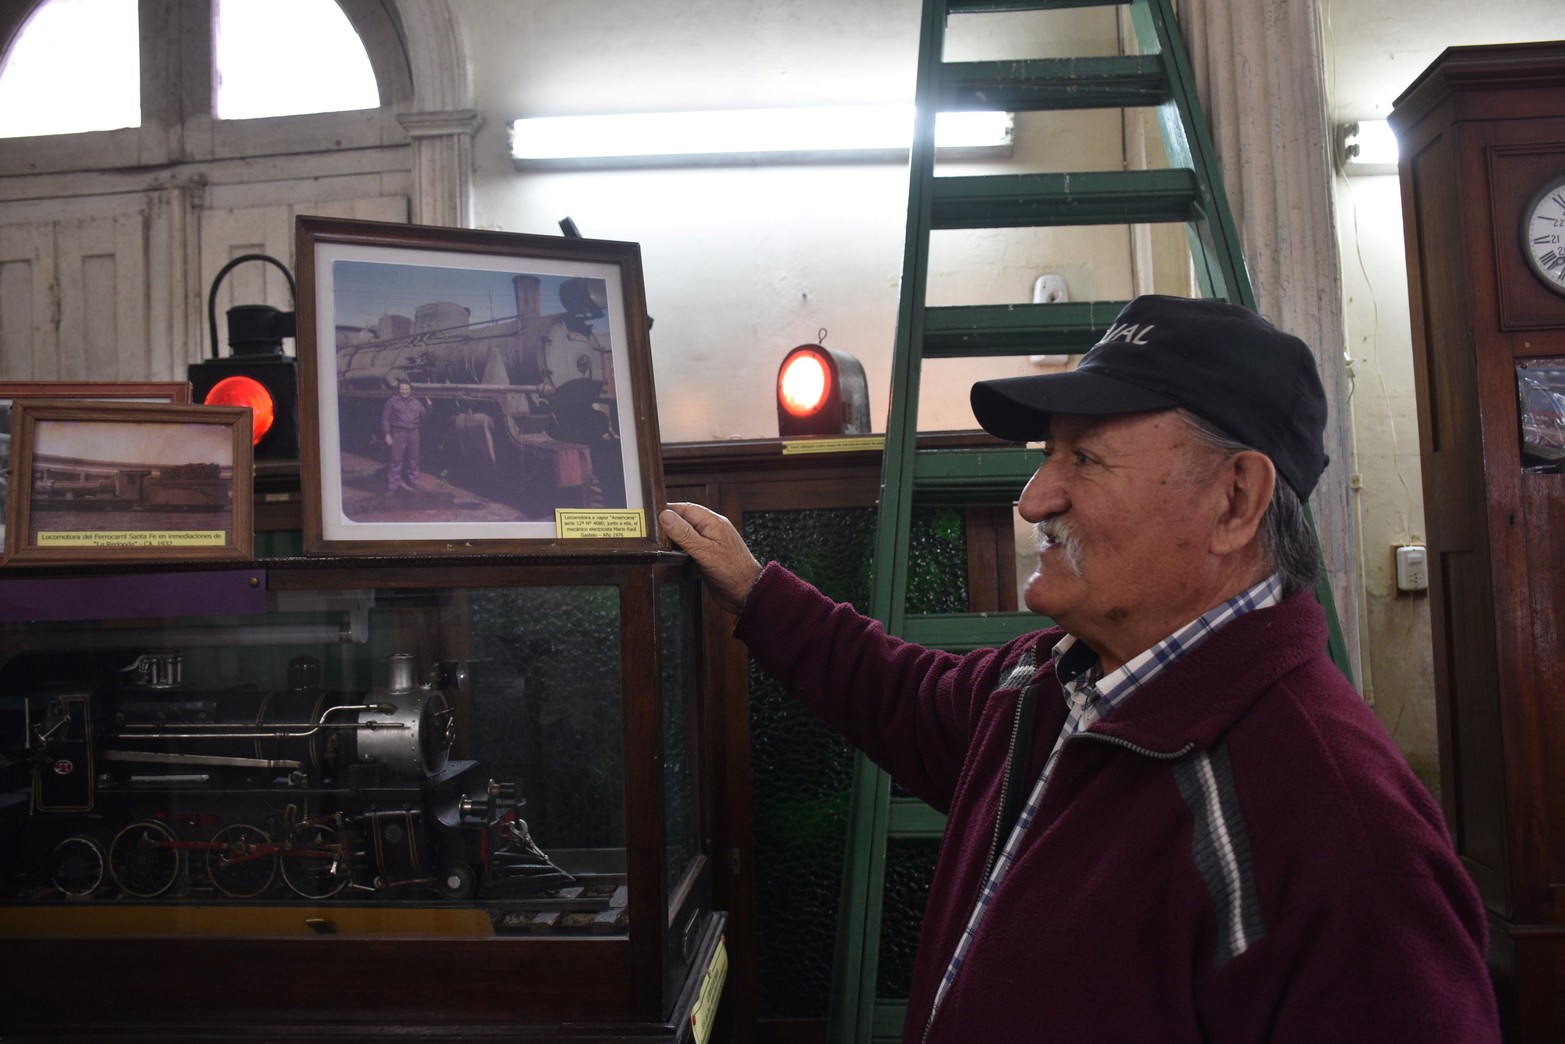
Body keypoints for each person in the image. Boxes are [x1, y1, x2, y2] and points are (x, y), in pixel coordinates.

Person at [660, 295, 1500, 1042]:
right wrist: (756, 592)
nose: (1031, 499)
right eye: (1046, 454)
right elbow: (902, 695)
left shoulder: (1339, 838)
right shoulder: (1054, 684)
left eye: (1085, 460)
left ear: (1235, 501)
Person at [382, 378, 428, 493]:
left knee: (414, 459)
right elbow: (385, 418)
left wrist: (430, 407)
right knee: (396, 459)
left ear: (410, 390)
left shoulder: (417, 403)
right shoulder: (392, 402)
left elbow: (425, 417)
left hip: (413, 432)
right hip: (398, 432)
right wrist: (387, 434)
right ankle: (392, 486)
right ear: (399, 390)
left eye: (406, 389)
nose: (404, 391)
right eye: (402, 389)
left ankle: (414, 483)